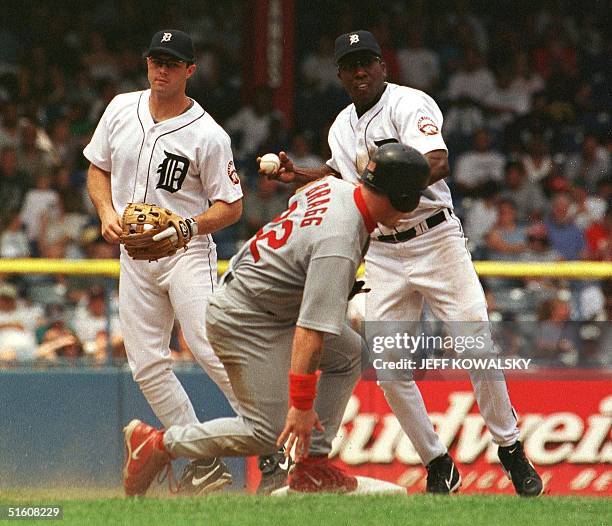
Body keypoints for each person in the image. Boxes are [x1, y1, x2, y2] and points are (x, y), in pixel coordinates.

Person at [262, 30, 543, 497]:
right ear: (340, 75)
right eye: (351, 64)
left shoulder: (410, 104)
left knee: (476, 342)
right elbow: (342, 176)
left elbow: (437, 162)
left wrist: (390, 184)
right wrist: (304, 175)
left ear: (383, 67)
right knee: (390, 371)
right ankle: (438, 462)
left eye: (367, 61)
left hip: (435, 239)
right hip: (385, 251)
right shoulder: (340, 127)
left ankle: (510, 448)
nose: (360, 70)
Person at [121, 144, 431, 496]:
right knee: (267, 433)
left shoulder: (334, 187)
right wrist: (300, 406)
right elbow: (309, 334)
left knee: (349, 354)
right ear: (403, 199)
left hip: (262, 300)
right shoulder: (340, 241)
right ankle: (160, 445)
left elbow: (300, 197)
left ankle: (312, 467)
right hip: (246, 319)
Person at [83, 29, 243, 494]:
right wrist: (106, 213)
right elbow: (98, 168)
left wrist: (188, 227)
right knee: (146, 364)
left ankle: (273, 436)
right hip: (134, 254)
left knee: (208, 347)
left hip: (187, 253)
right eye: (156, 60)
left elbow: (231, 205)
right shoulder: (119, 108)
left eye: (172, 62)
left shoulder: (208, 134)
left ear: (190, 70)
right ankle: (200, 457)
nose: (162, 68)